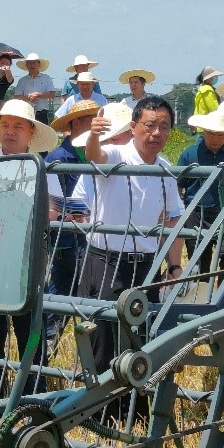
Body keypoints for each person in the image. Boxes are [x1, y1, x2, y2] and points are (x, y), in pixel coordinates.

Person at [80, 97, 184, 386]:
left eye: (164, 127)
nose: (157, 133)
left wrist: (174, 267)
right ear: (134, 126)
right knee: (103, 340)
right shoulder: (115, 156)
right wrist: (93, 135)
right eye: (150, 125)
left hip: (146, 269)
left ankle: (133, 412)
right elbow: (94, 155)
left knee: (140, 342)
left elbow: (172, 221)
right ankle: (100, 414)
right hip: (106, 263)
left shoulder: (166, 170)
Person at [0, 99, 61, 399]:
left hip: (27, 258)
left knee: (30, 332)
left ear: (31, 131)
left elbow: (54, 213)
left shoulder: (43, 168)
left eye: (18, 126)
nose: (10, 131)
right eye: (5, 125)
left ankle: (33, 397)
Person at [44, 99, 100, 357]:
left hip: (82, 237)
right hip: (68, 238)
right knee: (75, 297)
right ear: (76, 123)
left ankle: (52, 352)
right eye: (91, 120)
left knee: (65, 295)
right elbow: (55, 203)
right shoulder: (60, 158)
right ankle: (52, 351)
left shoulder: (89, 153)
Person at [177, 109, 224, 274]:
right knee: (198, 260)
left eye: (220, 135)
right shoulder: (189, 155)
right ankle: (200, 292)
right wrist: (180, 212)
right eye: (212, 134)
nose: (216, 138)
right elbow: (177, 186)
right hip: (196, 212)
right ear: (204, 132)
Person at [14, 53, 56, 125]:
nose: (32, 65)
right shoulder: (22, 80)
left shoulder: (46, 78)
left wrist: (39, 95)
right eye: (30, 63)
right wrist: (28, 97)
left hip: (42, 112)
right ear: (27, 65)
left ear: (39, 64)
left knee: (42, 134)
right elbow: (17, 97)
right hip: (26, 112)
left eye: (34, 63)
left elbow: (52, 94)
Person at [192, 65, 223, 130]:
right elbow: (214, 109)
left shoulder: (201, 89)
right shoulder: (208, 90)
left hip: (201, 125)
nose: (216, 78)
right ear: (208, 78)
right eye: (214, 76)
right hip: (208, 127)